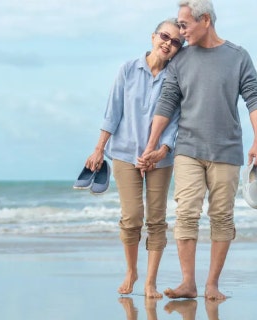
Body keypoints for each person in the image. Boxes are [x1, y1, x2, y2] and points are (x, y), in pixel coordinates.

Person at [139, 0, 257, 300]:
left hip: (227, 150)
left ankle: (212, 284)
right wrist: (152, 145)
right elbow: (167, 102)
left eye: (184, 25)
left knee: (222, 217)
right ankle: (189, 283)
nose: (180, 32)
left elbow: (254, 99)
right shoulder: (181, 60)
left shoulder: (237, 56)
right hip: (188, 148)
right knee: (186, 213)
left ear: (206, 20)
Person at [83, 18, 184, 298]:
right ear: (153, 37)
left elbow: (175, 121)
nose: (169, 43)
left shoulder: (176, 78)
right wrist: (99, 148)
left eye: (176, 42)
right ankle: (131, 270)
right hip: (125, 154)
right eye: (165, 36)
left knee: (156, 219)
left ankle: (150, 281)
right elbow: (112, 112)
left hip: (160, 159)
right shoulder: (127, 69)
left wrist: (162, 150)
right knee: (131, 217)